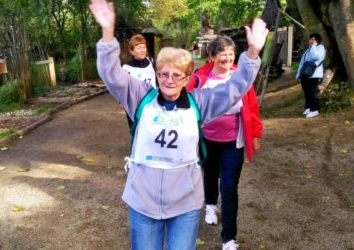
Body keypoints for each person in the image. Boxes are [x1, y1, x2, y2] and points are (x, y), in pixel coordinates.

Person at [89, 0, 268, 249]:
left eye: (176, 75)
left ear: (187, 78)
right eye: (163, 73)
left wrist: (251, 55)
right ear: (157, 75)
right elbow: (112, 75)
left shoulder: (199, 103)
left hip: (185, 203)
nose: (169, 80)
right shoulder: (140, 97)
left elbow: (234, 89)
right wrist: (108, 34)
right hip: (143, 200)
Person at [186, 35, 262, 250]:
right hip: (207, 139)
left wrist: (255, 134)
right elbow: (188, 105)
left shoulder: (241, 76)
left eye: (231, 54)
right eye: (222, 55)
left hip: (233, 141)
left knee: (229, 186)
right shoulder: (200, 78)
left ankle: (229, 238)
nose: (228, 59)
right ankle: (210, 205)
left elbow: (253, 108)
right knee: (210, 174)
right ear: (211, 56)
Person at [122, 34, 157, 127]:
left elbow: (157, 81)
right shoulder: (126, 68)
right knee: (137, 132)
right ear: (132, 51)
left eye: (144, 47)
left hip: (152, 103)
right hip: (135, 106)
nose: (142, 50)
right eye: (138, 48)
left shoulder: (151, 61)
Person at [296, 33, 326, 118]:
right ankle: (308, 107)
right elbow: (302, 63)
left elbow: (315, 57)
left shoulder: (320, 48)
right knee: (307, 92)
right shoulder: (308, 49)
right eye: (310, 39)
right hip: (305, 74)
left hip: (315, 75)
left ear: (317, 41)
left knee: (313, 93)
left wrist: (313, 46)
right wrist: (299, 74)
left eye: (313, 39)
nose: (311, 41)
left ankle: (315, 109)